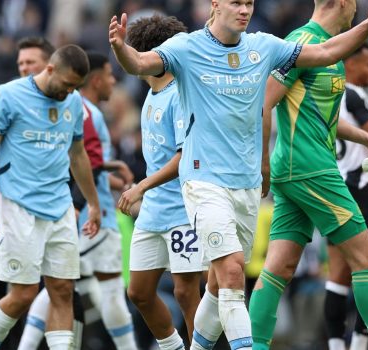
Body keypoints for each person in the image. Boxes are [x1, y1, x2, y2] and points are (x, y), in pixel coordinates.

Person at [109, 1, 368, 349]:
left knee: (222, 285)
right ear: (216, 4)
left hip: (246, 185)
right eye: (236, 2)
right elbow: (140, 63)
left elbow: (325, 51)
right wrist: (120, 47)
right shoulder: (186, 47)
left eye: (249, 2)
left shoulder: (264, 46)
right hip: (204, 181)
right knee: (233, 272)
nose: (244, 9)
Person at [248, 0, 368, 348]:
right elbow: (264, 103)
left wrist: (367, 138)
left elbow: (322, 115)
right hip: (309, 169)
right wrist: (262, 165)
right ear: (343, 3)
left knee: (279, 268)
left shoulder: (326, 46)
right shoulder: (300, 42)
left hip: (300, 170)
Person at [0, 44, 101, 350]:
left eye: (76, 87)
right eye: (67, 84)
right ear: (49, 70)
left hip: (59, 207)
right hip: (18, 205)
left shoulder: (72, 102)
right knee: (23, 294)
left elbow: (79, 156)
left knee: (62, 289)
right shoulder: (8, 95)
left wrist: (93, 203)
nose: (70, 91)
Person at [16, 52, 138, 350]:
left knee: (76, 286)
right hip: (89, 219)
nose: (113, 82)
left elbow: (87, 166)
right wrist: (80, 205)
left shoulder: (80, 110)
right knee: (65, 286)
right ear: (96, 80)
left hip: (85, 213)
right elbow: (85, 164)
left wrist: (111, 173)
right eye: (110, 76)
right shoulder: (88, 113)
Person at [116, 15, 206, 350]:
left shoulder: (178, 95)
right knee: (138, 292)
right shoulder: (151, 95)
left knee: (185, 292)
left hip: (183, 211)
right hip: (154, 211)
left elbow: (184, 158)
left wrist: (140, 186)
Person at [319, 41, 368, 350]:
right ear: (350, 64)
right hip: (358, 191)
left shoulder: (324, 94)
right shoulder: (353, 94)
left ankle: (336, 344)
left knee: (337, 275)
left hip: (333, 190)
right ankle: (360, 344)